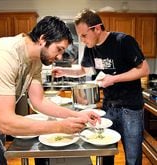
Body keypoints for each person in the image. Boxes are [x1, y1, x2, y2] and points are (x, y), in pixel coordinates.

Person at [0, 16, 100, 165]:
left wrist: (77, 114)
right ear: (43, 39)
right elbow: (6, 122)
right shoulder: (3, 56)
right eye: (59, 49)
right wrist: (59, 127)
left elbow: (39, 101)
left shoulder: (35, 60)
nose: (60, 56)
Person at [52, 9, 150, 165]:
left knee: (132, 158)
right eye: (80, 36)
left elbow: (144, 69)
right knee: (104, 153)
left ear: (97, 28)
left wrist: (114, 79)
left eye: (84, 35)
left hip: (130, 109)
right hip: (107, 108)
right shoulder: (91, 48)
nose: (82, 40)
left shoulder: (123, 41)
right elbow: (83, 70)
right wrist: (63, 71)